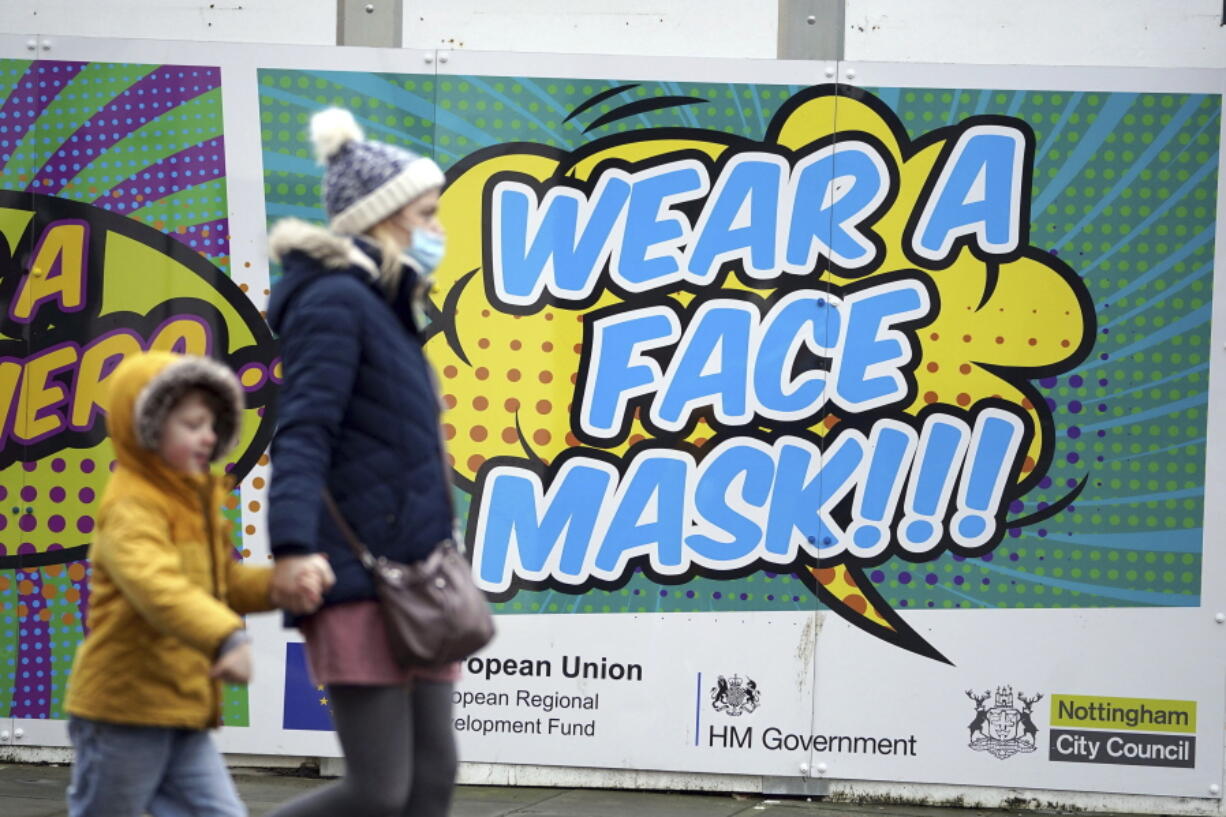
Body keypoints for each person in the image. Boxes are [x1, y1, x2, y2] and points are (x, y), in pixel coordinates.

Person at [263, 108, 460, 817]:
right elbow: (303, 432)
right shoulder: (336, 302)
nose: (437, 230)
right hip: (358, 575)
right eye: (427, 213)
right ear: (382, 218)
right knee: (379, 792)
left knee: (431, 781)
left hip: (419, 575)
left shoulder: (388, 304)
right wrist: (289, 547)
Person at [64, 351, 334, 817]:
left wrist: (279, 587)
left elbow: (220, 583)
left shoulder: (195, 498)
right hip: (123, 711)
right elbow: (157, 588)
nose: (208, 437)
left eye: (212, 425)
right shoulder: (131, 508)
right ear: (145, 428)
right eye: (192, 425)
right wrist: (226, 637)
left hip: (182, 708)